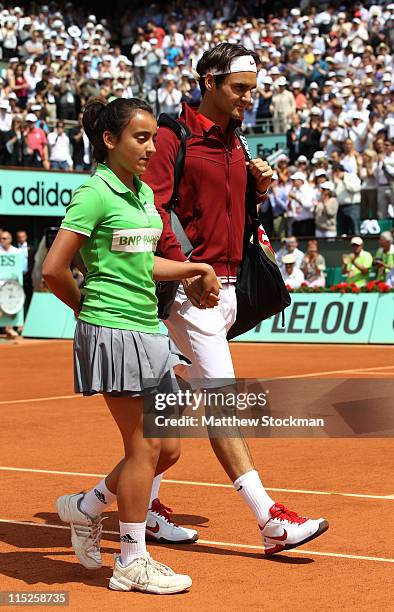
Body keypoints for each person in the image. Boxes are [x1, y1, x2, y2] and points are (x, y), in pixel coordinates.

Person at [142, 43, 328, 555]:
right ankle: (270, 519)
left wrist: (259, 187)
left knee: (173, 407)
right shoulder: (170, 137)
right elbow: (153, 209)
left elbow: (232, 212)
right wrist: (187, 270)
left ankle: (108, 503)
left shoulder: (237, 142)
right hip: (190, 291)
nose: (250, 98)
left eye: (252, 89)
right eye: (240, 88)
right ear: (209, 81)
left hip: (227, 290)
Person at [42, 96, 222, 594]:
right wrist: (88, 310)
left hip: (149, 329)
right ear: (109, 141)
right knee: (143, 446)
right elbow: (54, 269)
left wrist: (194, 268)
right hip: (114, 331)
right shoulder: (93, 194)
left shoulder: (143, 195)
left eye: (152, 139)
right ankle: (131, 561)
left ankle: (86, 506)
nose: (151, 147)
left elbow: (145, 264)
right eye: (140, 138)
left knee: (168, 450)